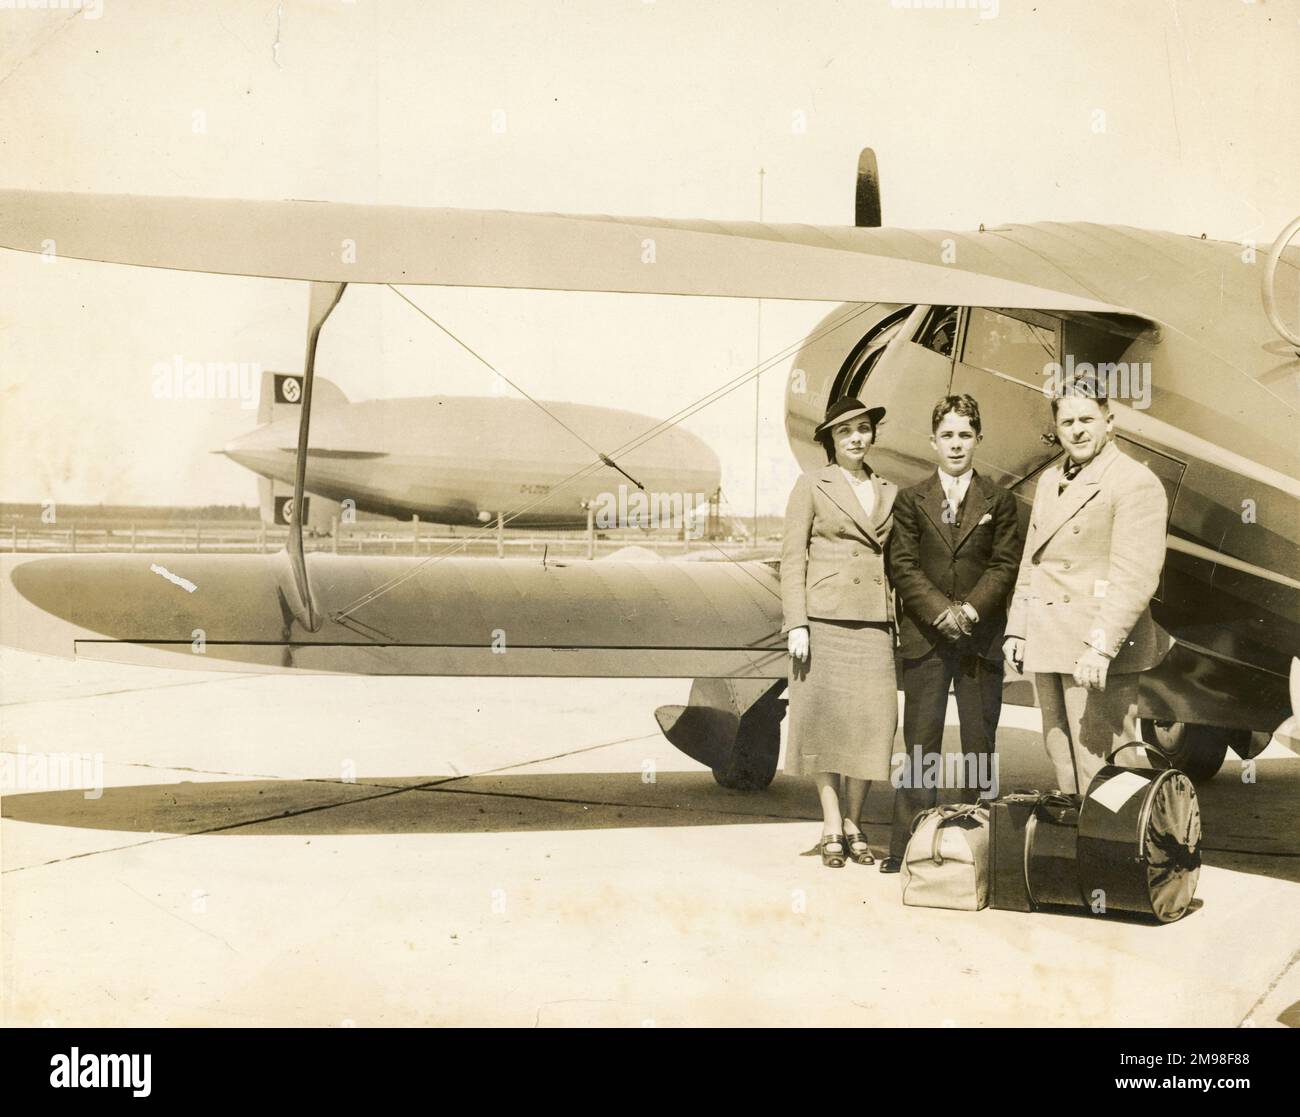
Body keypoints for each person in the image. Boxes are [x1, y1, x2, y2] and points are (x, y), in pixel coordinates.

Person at [1002, 376, 1169, 792]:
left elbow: (1136, 577)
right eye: (1068, 421)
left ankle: (1118, 853)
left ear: (1109, 422)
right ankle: (1080, 846)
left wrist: (1100, 646)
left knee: (1108, 763)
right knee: (1060, 751)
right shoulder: (1049, 479)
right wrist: (1018, 627)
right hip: (1049, 639)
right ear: (1056, 428)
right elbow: (1033, 560)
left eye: (1087, 419)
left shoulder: (1133, 481)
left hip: (1094, 650)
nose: (1077, 430)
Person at [879, 395, 1023, 873]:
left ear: (978, 440)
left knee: (980, 745)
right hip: (928, 638)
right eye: (948, 435)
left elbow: (1004, 565)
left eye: (965, 435)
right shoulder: (910, 499)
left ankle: (979, 848)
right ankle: (907, 849)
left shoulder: (999, 502)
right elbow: (902, 565)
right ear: (933, 441)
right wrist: (942, 611)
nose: (956, 444)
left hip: (979, 641)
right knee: (921, 745)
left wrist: (971, 612)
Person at [780, 396, 898, 869]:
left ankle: (855, 820)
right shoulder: (811, 485)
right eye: (846, 430)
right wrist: (797, 623)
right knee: (824, 722)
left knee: (872, 723)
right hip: (824, 620)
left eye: (864, 428)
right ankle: (832, 822)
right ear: (831, 438)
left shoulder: (888, 489)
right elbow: (792, 558)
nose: (857, 437)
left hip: (874, 620)